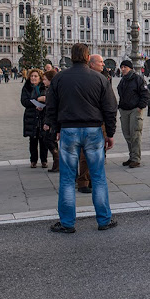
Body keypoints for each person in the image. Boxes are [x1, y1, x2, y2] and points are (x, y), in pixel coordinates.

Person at [44, 43, 118, 233]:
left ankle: (67, 223)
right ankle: (104, 220)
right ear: (87, 58)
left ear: (71, 57)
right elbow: (110, 107)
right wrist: (110, 133)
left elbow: (51, 106)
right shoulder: (99, 78)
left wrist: (55, 129)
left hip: (69, 130)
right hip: (93, 130)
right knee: (98, 177)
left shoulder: (60, 78)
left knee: (68, 179)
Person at [117, 60, 150, 168]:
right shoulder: (123, 80)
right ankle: (131, 156)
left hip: (135, 110)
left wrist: (140, 107)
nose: (122, 69)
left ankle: (136, 158)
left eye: (125, 67)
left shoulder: (138, 79)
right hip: (124, 109)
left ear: (130, 68)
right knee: (127, 134)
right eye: (121, 67)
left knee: (135, 134)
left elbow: (146, 94)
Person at [20, 69, 49, 168]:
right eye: (32, 76)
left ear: (39, 78)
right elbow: (24, 101)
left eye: (35, 76)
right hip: (31, 115)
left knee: (43, 139)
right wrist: (34, 104)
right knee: (33, 139)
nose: (33, 78)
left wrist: (42, 104)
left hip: (42, 115)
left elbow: (48, 98)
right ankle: (33, 160)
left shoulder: (43, 87)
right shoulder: (26, 87)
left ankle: (44, 160)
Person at [41, 70, 60, 173]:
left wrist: (47, 123)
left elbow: (51, 108)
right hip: (55, 118)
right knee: (50, 140)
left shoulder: (51, 90)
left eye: (44, 79)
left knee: (48, 139)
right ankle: (56, 162)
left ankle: (58, 159)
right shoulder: (55, 88)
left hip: (53, 120)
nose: (43, 81)